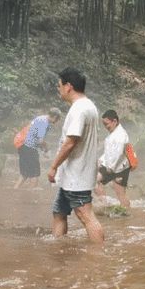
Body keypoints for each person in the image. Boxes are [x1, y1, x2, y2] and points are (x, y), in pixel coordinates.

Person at [47, 67, 104, 244]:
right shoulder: (88, 106)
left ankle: (99, 255)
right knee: (59, 211)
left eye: (59, 85)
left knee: (85, 214)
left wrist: (53, 166)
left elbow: (71, 142)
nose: (59, 89)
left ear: (68, 86)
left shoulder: (79, 109)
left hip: (77, 175)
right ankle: (58, 248)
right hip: (72, 174)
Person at [14, 107, 62, 189]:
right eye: (57, 119)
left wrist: (43, 149)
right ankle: (32, 197)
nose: (57, 122)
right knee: (35, 174)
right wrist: (46, 149)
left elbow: (35, 136)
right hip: (29, 148)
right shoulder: (44, 122)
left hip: (23, 146)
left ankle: (15, 190)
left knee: (24, 174)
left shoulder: (41, 118)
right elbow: (40, 141)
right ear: (54, 117)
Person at [94, 110, 132, 210]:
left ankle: (126, 212)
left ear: (114, 121)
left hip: (120, 168)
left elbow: (118, 154)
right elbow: (108, 152)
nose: (105, 127)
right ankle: (105, 205)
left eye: (106, 124)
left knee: (120, 193)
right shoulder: (113, 132)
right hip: (110, 166)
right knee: (94, 181)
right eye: (104, 124)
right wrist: (101, 161)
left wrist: (109, 167)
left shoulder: (120, 135)